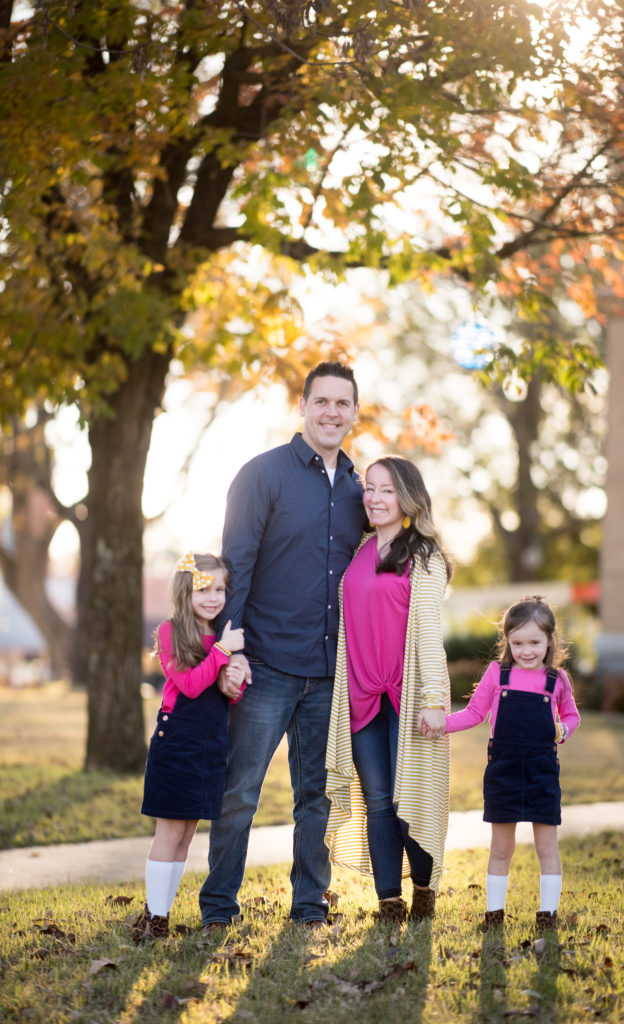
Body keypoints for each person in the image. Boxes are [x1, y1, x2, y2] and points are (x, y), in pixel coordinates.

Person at [199, 361, 367, 929]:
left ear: (354, 413)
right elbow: (235, 565)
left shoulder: (358, 489)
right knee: (239, 792)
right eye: (322, 401)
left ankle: (309, 906)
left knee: (315, 798)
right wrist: (232, 650)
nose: (331, 412)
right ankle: (218, 908)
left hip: (327, 671)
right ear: (302, 406)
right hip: (264, 664)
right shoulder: (262, 475)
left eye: (342, 403)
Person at [324, 455, 453, 924]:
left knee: (407, 801)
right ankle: (388, 902)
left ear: (408, 499)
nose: (375, 499)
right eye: (370, 488)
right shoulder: (357, 550)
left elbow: (429, 635)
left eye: (387, 490)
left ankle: (422, 888)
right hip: (360, 695)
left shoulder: (424, 557)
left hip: (407, 696)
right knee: (376, 800)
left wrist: (436, 700)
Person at [443, 595, 580, 932]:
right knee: (501, 847)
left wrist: (562, 730)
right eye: (517, 643)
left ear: (550, 640)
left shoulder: (557, 680)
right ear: (508, 641)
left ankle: (547, 915)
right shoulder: (497, 674)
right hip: (503, 770)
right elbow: (475, 714)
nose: (526, 650)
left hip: (542, 771)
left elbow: (572, 717)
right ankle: (494, 915)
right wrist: (440, 723)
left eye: (534, 642)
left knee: (547, 847)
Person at [133, 551, 245, 942]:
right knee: (169, 831)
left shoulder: (224, 637)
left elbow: (225, 694)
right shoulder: (170, 632)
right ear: (186, 590)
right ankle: (155, 917)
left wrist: (236, 675)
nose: (213, 597)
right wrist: (223, 653)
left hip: (211, 742)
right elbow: (192, 685)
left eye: (220, 589)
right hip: (177, 741)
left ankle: (158, 911)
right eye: (203, 589)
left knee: (187, 834)